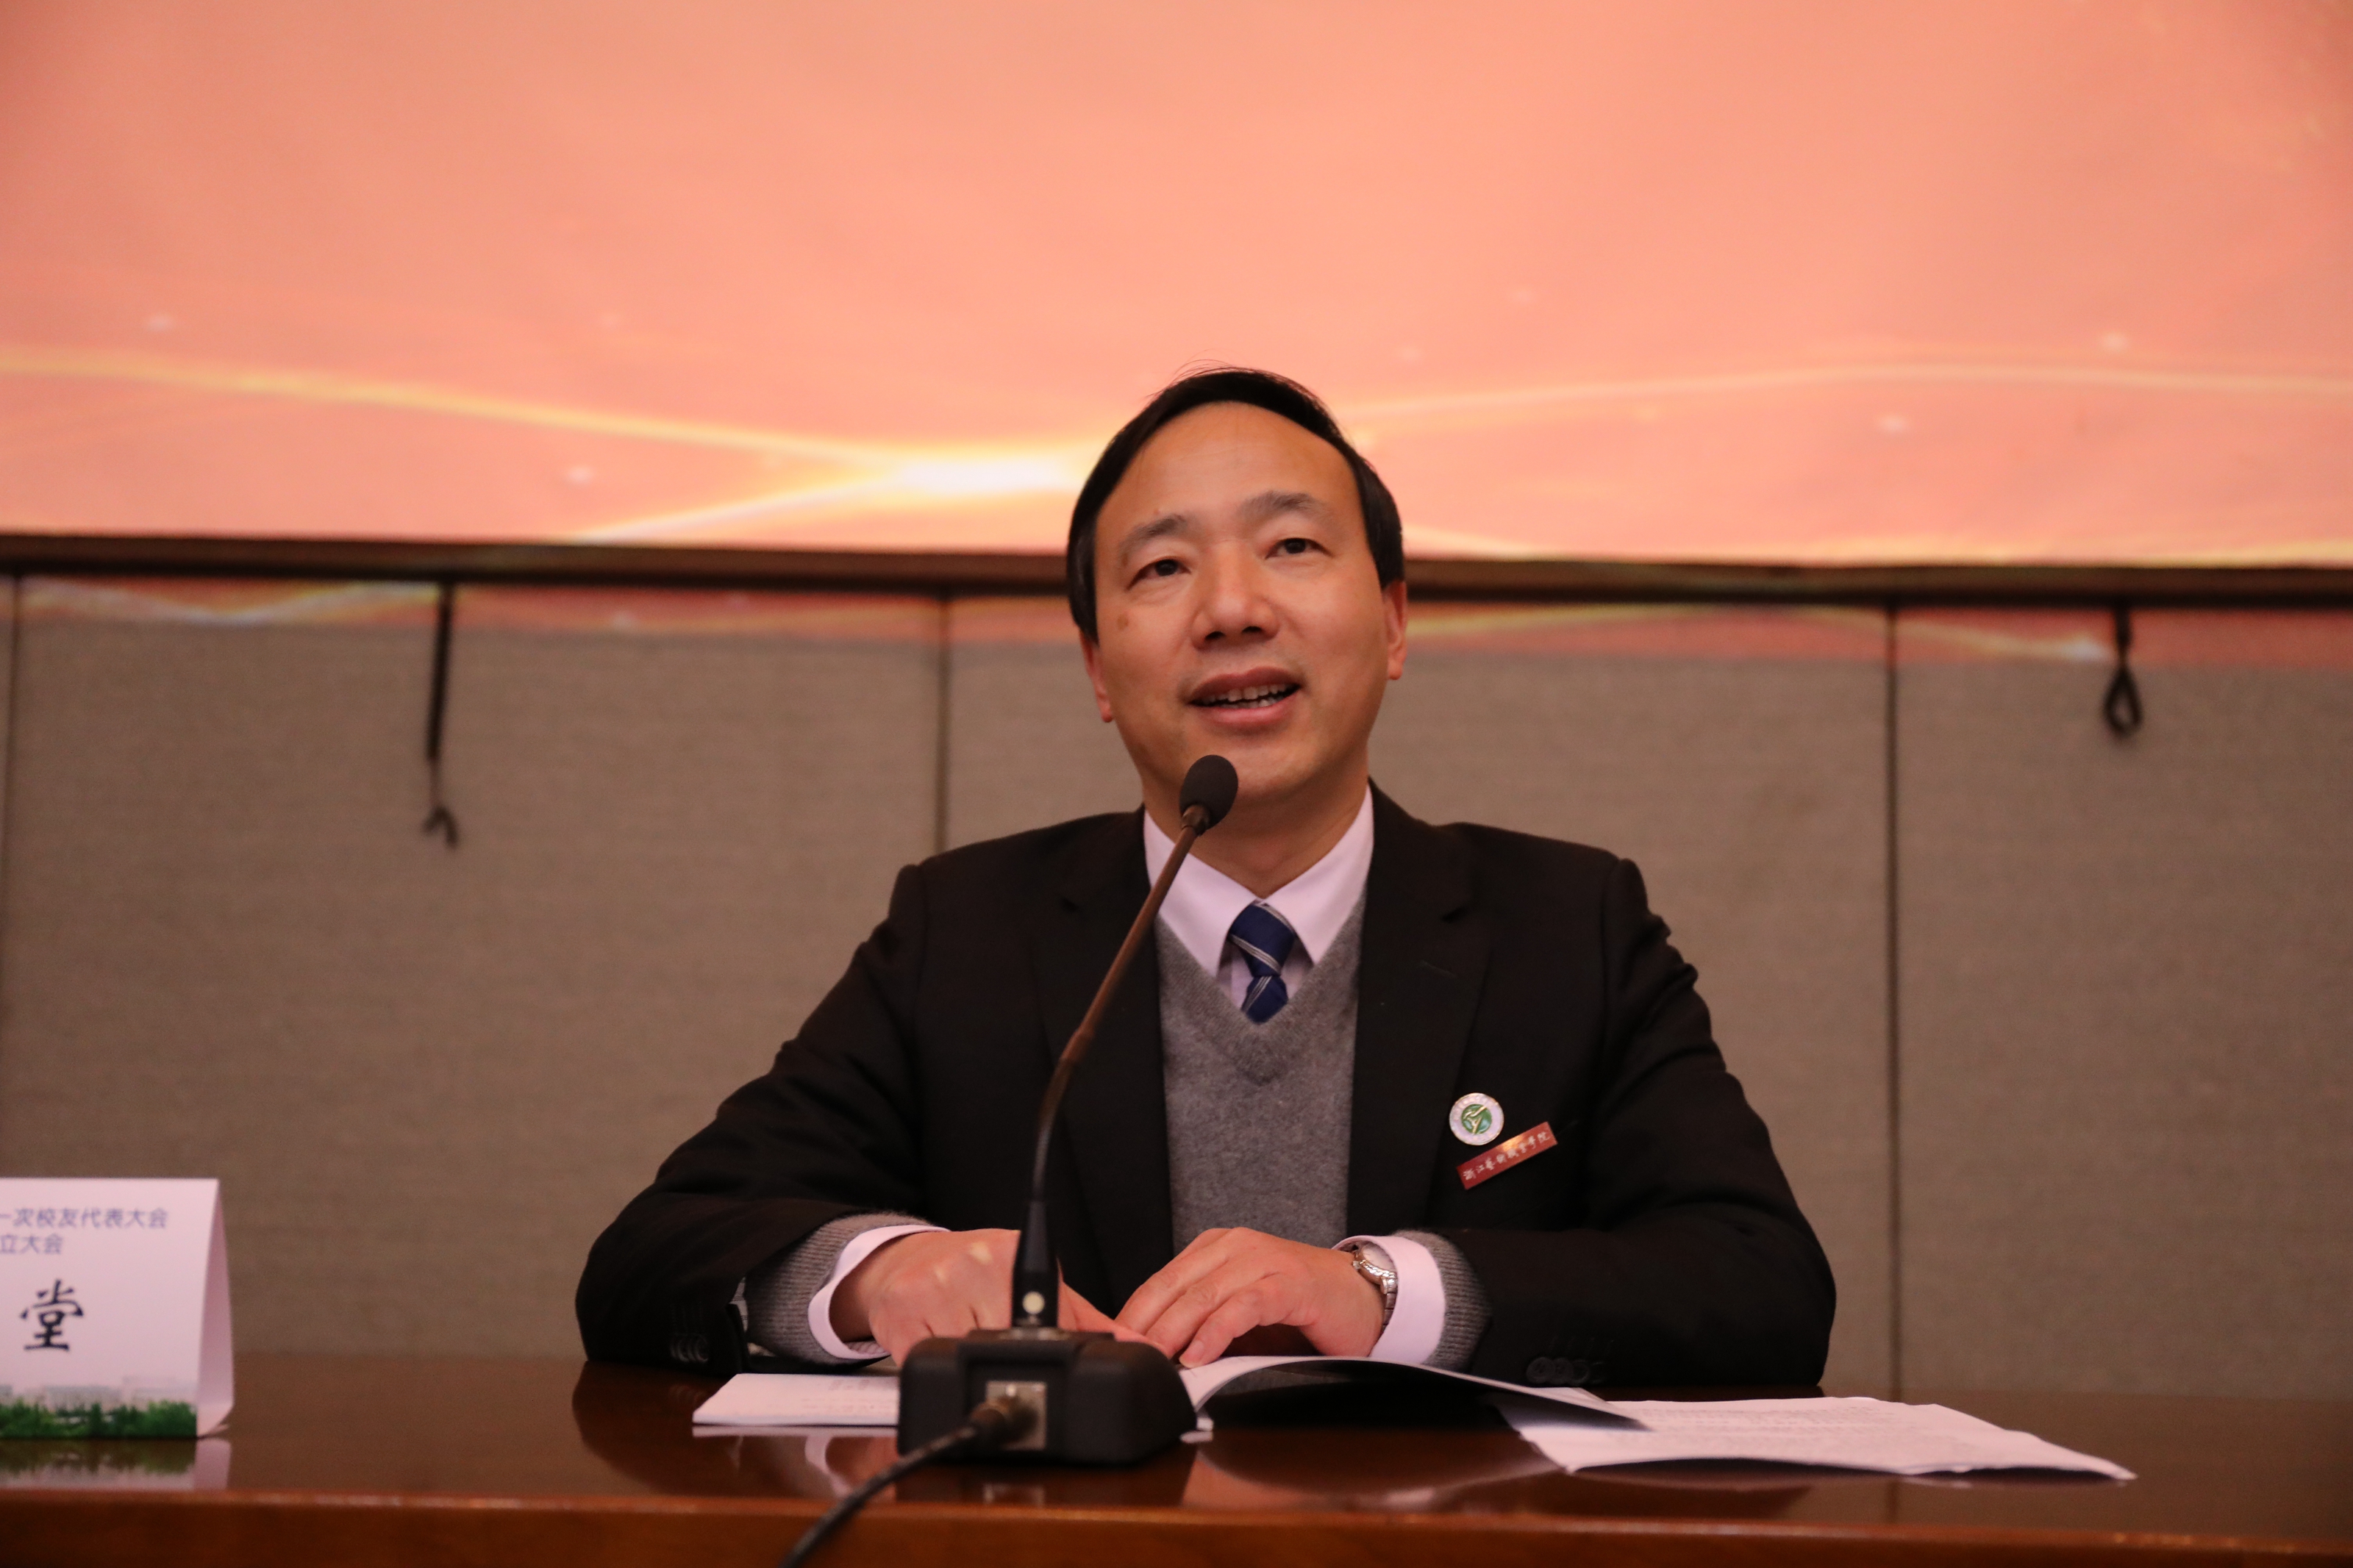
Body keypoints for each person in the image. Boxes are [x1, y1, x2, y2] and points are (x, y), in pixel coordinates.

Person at [577, 368, 1833, 1387]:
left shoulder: (1571, 928)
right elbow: (650, 1256)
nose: (1232, 608)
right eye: (1163, 568)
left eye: (1292, 545)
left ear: (1395, 621)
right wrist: (875, 1273)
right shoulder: (965, 934)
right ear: (1096, 667)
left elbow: (1761, 1286)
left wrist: (1389, 1292)